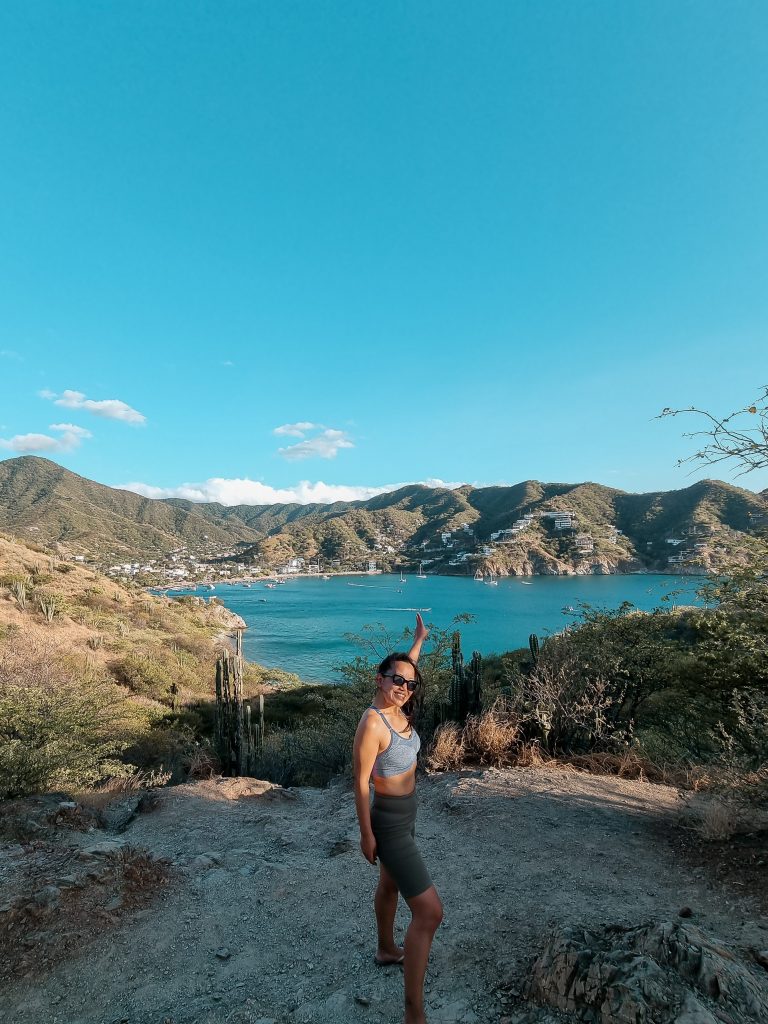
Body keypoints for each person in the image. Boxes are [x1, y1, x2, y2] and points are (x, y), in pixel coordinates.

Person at [352, 613, 443, 1024]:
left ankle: (386, 948)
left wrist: (417, 641)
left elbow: (406, 664)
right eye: (396, 681)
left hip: (408, 815)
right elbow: (359, 783)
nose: (405, 688)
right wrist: (366, 835)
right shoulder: (373, 723)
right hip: (388, 822)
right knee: (429, 913)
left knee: (389, 884)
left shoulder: (398, 699)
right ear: (379, 679)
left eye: (410, 683)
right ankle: (414, 1013)